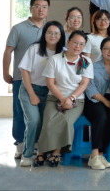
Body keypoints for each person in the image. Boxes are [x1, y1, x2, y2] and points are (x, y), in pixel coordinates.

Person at [36, 31, 93, 167]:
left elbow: (84, 84)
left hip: (77, 100)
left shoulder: (86, 61)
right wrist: (62, 98)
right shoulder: (55, 59)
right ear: (68, 42)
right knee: (48, 120)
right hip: (55, 97)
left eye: (81, 44)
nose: (78, 46)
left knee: (66, 120)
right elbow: (50, 83)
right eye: (75, 42)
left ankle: (55, 153)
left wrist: (71, 98)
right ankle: (41, 151)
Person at [3, 0, 48, 159]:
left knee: (40, 114)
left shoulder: (51, 30)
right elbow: (8, 51)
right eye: (37, 6)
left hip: (44, 80)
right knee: (19, 112)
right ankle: (20, 144)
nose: (41, 9)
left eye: (45, 7)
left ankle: (36, 143)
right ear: (31, 8)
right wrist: (5, 73)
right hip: (20, 78)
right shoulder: (18, 28)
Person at [17, 21, 64, 167]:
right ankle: (27, 154)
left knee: (46, 122)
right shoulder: (35, 48)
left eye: (56, 33)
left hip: (50, 92)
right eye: (49, 32)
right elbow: (25, 71)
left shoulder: (63, 52)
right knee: (34, 120)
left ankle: (42, 152)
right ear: (44, 34)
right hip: (30, 89)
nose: (52, 36)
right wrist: (32, 94)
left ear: (61, 35)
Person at [83, 37, 110, 170]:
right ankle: (94, 155)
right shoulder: (92, 66)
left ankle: (100, 154)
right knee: (101, 116)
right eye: (106, 49)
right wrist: (105, 101)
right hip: (95, 99)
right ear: (101, 50)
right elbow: (89, 88)